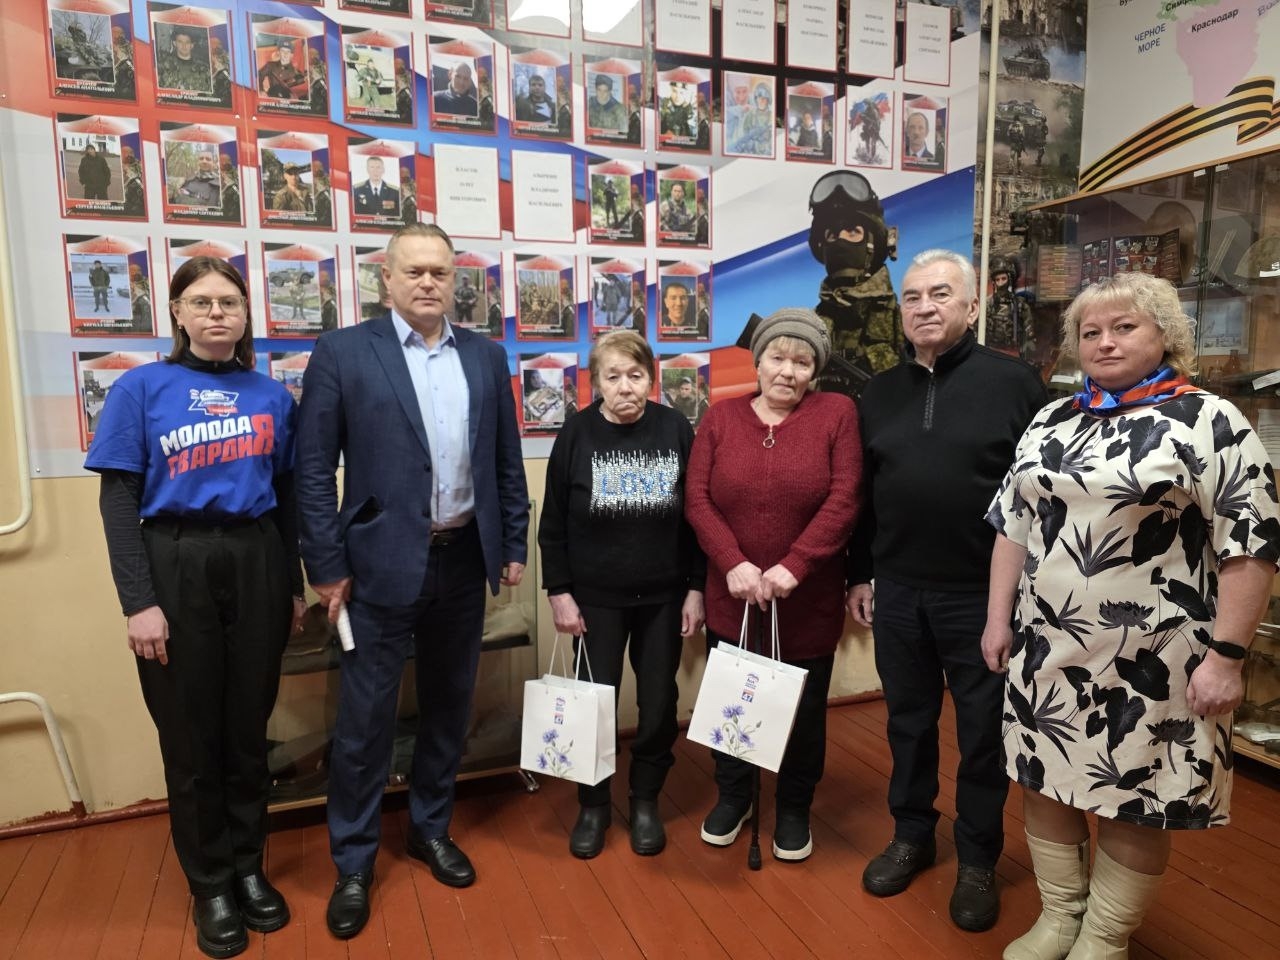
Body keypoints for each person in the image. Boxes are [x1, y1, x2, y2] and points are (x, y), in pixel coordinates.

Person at [982, 273, 1280, 960]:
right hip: (1046, 643)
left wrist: (1228, 656)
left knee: (1139, 793)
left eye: (1124, 328)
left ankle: (1104, 937)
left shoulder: (1209, 421)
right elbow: (1011, 527)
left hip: (1160, 656)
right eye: (1090, 332)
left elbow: (1252, 545)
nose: (1105, 342)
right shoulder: (1053, 419)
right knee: (1044, 777)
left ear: (1166, 335)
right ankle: (1061, 917)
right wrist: (998, 621)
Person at [296, 223, 529, 941]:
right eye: (415, 271)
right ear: (387, 280)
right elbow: (312, 469)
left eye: (440, 272)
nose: (429, 282)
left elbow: (505, 460)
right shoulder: (343, 352)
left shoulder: (485, 356)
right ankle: (354, 863)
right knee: (364, 723)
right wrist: (326, 565)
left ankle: (430, 829)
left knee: (450, 707)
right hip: (376, 567)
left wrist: (511, 542)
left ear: (455, 280)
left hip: (462, 561)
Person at [85, 257, 303, 959]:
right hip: (174, 559)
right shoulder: (140, 388)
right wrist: (139, 602)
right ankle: (209, 883)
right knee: (190, 736)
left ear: (245, 313)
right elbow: (118, 503)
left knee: (247, 731)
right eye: (202, 302)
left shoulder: (271, 396)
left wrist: (293, 585)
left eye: (229, 302)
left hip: (256, 556)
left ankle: (248, 867)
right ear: (176, 311)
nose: (217, 313)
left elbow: (290, 499)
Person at [847, 249, 1046, 932]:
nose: (924, 307)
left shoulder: (1016, 384)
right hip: (899, 591)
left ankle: (978, 856)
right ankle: (911, 835)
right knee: (907, 722)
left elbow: (1038, 498)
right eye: (912, 297)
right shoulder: (879, 392)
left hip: (982, 597)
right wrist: (859, 573)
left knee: (983, 733)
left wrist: (1016, 600)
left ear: (971, 306)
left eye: (939, 294)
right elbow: (864, 495)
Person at [685, 307, 861, 862]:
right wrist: (732, 562)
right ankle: (734, 796)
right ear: (758, 362)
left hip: (805, 599)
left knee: (804, 713)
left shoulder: (837, 414)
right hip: (732, 597)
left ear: (816, 370)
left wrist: (796, 563)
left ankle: (793, 806)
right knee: (732, 700)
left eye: (802, 362)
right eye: (778, 357)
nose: (788, 370)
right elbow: (697, 499)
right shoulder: (721, 417)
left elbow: (846, 497)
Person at [538, 330, 706, 860]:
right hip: (595, 602)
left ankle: (645, 799)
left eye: (635, 375)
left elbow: (698, 516)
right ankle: (592, 805)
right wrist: (560, 592)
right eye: (613, 376)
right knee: (594, 705)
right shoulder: (576, 433)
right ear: (596, 383)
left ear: (651, 379)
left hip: (663, 598)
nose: (625, 386)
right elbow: (553, 522)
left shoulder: (675, 428)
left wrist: (696, 588)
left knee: (658, 706)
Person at [807, 170, 902, 399]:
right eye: (832, 234)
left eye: (852, 231)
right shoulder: (810, 325)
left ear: (874, 244)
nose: (841, 240)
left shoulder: (904, 321)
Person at [157, 26, 210, 92]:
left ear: (192, 45)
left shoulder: (203, 68)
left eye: (187, 42)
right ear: (174, 43)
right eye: (180, 42)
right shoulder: (163, 66)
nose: (184, 45)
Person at [730, 83, 774, 156]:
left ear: (768, 100)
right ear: (756, 99)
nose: (761, 100)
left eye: (764, 98)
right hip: (752, 151)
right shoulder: (750, 115)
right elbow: (745, 133)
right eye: (759, 97)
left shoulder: (772, 116)